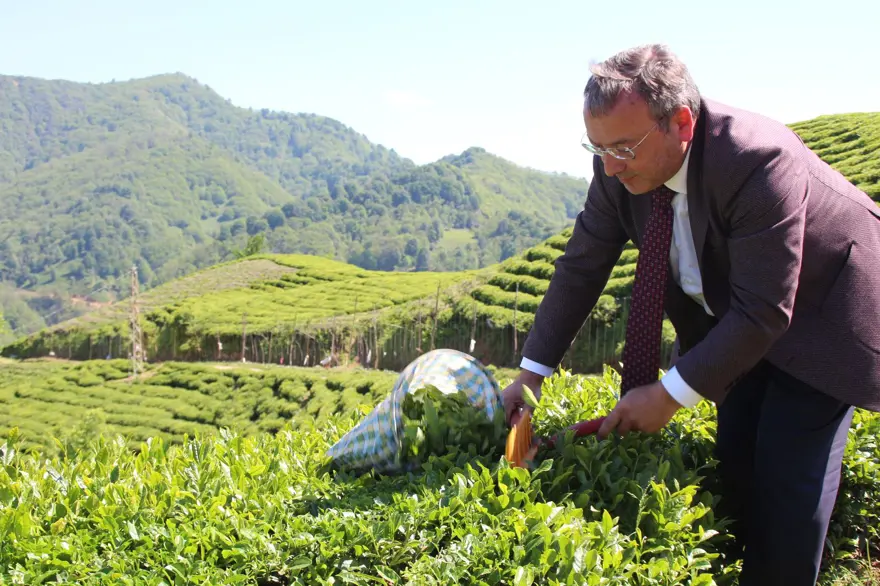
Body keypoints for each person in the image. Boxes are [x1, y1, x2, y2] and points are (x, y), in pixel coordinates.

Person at [500, 43, 880, 585]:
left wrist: (669, 394)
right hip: (740, 318)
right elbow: (582, 265)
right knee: (738, 458)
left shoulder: (756, 160)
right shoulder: (616, 167)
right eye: (597, 146)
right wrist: (531, 374)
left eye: (624, 147)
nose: (609, 165)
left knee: (787, 468)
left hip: (825, 311)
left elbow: (766, 310)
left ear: (681, 122)